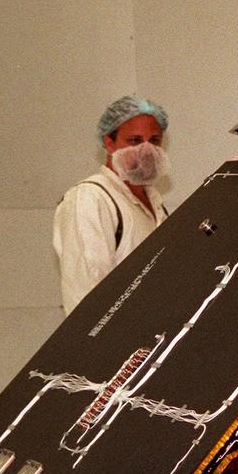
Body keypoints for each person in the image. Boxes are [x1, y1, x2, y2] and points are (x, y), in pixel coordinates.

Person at [53, 95, 172, 312]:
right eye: (135, 140)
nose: (146, 150)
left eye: (154, 141)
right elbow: (87, 293)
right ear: (109, 143)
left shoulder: (155, 203)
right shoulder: (91, 198)